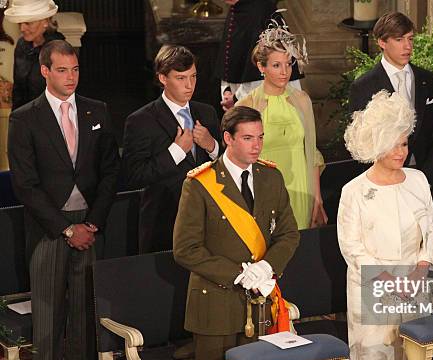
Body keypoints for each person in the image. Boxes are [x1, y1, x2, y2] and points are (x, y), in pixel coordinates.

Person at [7, 39, 119, 360]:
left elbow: (109, 173)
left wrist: (92, 223)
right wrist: (66, 230)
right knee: (48, 317)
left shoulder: (96, 111)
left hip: (89, 225)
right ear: (44, 71)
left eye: (74, 70)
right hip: (48, 230)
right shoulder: (25, 118)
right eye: (61, 70)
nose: (70, 77)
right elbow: (25, 185)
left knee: (85, 315)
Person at [173, 105, 299, 360]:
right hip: (215, 301)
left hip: (259, 303)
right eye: (247, 138)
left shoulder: (271, 176)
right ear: (227, 138)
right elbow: (185, 249)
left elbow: (288, 233)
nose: (256, 145)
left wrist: (267, 267)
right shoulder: (201, 184)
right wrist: (237, 274)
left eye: (259, 137)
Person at [338, 91, 433, 360]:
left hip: (413, 282)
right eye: (395, 145)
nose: (402, 152)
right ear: (375, 145)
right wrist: (385, 280)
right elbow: (351, 246)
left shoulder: (418, 180)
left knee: (398, 358)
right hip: (371, 284)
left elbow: (432, 228)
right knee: (371, 359)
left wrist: (423, 265)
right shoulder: (354, 190)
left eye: (405, 143)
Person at [122, 45, 221, 253]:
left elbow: (225, 166)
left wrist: (212, 146)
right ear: (163, 78)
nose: (189, 85)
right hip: (164, 224)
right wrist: (176, 151)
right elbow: (133, 176)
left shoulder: (208, 112)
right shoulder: (141, 120)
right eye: (181, 78)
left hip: (209, 222)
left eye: (193, 77)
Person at [237, 20, 326, 229]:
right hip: (264, 193)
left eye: (288, 64)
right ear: (261, 67)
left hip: (302, 190)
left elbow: (311, 152)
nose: (284, 72)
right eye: (276, 65)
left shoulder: (302, 100)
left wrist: (317, 198)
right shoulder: (247, 105)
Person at [348, 12, 433, 188]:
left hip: (423, 177)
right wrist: (378, 182)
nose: (407, 46)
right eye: (399, 39)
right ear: (382, 42)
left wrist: (426, 178)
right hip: (381, 182)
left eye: (410, 39)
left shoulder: (429, 80)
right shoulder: (363, 87)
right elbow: (360, 141)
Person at [214, 0, 302, 106]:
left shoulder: (261, 9)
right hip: (240, 98)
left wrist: (236, 98)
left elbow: (262, 72)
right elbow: (230, 56)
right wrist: (227, 90)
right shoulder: (238, 8)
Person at [4, 0, 65, 110]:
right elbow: (18, 91)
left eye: (28, 23)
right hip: (25, 118)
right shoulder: (22, 45)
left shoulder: (59, 50)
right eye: (20, 23)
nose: (22, 28)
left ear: (45, 21)